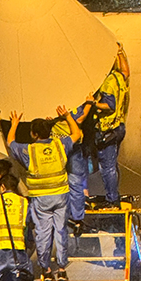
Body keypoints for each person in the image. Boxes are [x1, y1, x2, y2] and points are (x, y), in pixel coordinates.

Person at [7, 106, 82, 281]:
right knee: (61, 231)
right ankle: (62, 268)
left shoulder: (29, 150)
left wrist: (15, 124)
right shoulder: (59, 145)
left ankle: (46, 269)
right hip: (60, 195)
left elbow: (10, 142)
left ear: (33, 134)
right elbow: (77, 134)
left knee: (42, 233)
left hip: (41, 198)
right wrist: (67, 116)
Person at [93, 47, 130, 207]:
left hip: (107, 128)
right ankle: (114, 194)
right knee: (113, 164)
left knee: (107, 167)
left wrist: (93, 104)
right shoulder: (118, 78)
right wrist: (120, 52)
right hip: (119, 127)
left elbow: (110, 105)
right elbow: (126, 70)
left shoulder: (108, 83)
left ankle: (112, 199)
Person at [51, 95, 94, 232]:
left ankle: (74, 217)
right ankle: (74, 217)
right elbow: (79, 118)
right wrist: (88, 104)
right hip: (65, 145)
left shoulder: (69, 97)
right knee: (73, 181)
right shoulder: (70, 99)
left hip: (64, 145)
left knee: (73, 181)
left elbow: (80, 118)